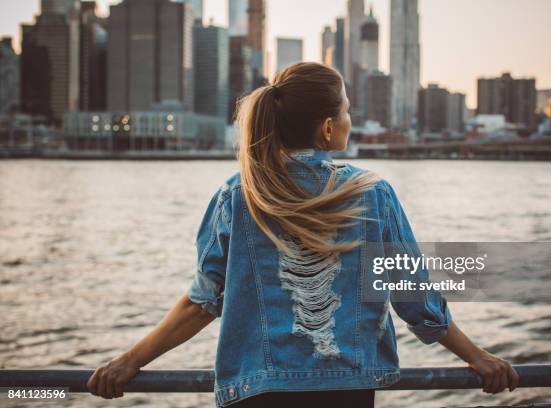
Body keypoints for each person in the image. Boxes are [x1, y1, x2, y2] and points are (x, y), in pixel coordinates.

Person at [86, 62, 519, 407]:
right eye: (347, 111)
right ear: (327, 128)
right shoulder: (373, 194)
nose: (351, 120)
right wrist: (476, 358)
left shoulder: (237, 195)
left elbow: (201, 303)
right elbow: (414, 299)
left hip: (256, 392)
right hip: (344, 391)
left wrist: (128, 362)